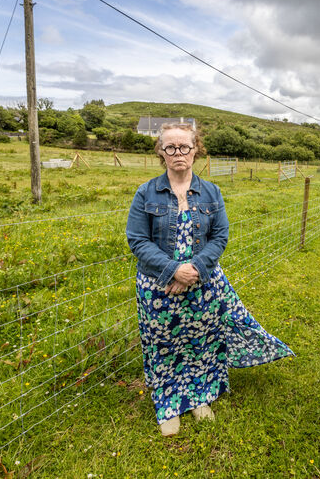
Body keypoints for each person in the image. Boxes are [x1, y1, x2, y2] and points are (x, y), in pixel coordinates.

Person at [126, 121, 294, 437]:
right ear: (161, 152)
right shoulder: (146, 192)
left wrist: (195, 270)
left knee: (200, 340)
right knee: (163, 343)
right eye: (170, 147)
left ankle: (200, 396)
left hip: (202, 285)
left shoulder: (211, 192)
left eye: (184, 147)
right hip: (158, 287)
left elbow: (220, 235)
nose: (178, 153)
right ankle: (169, 405)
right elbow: (137, 239)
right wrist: (173, 270)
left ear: (195, 150)